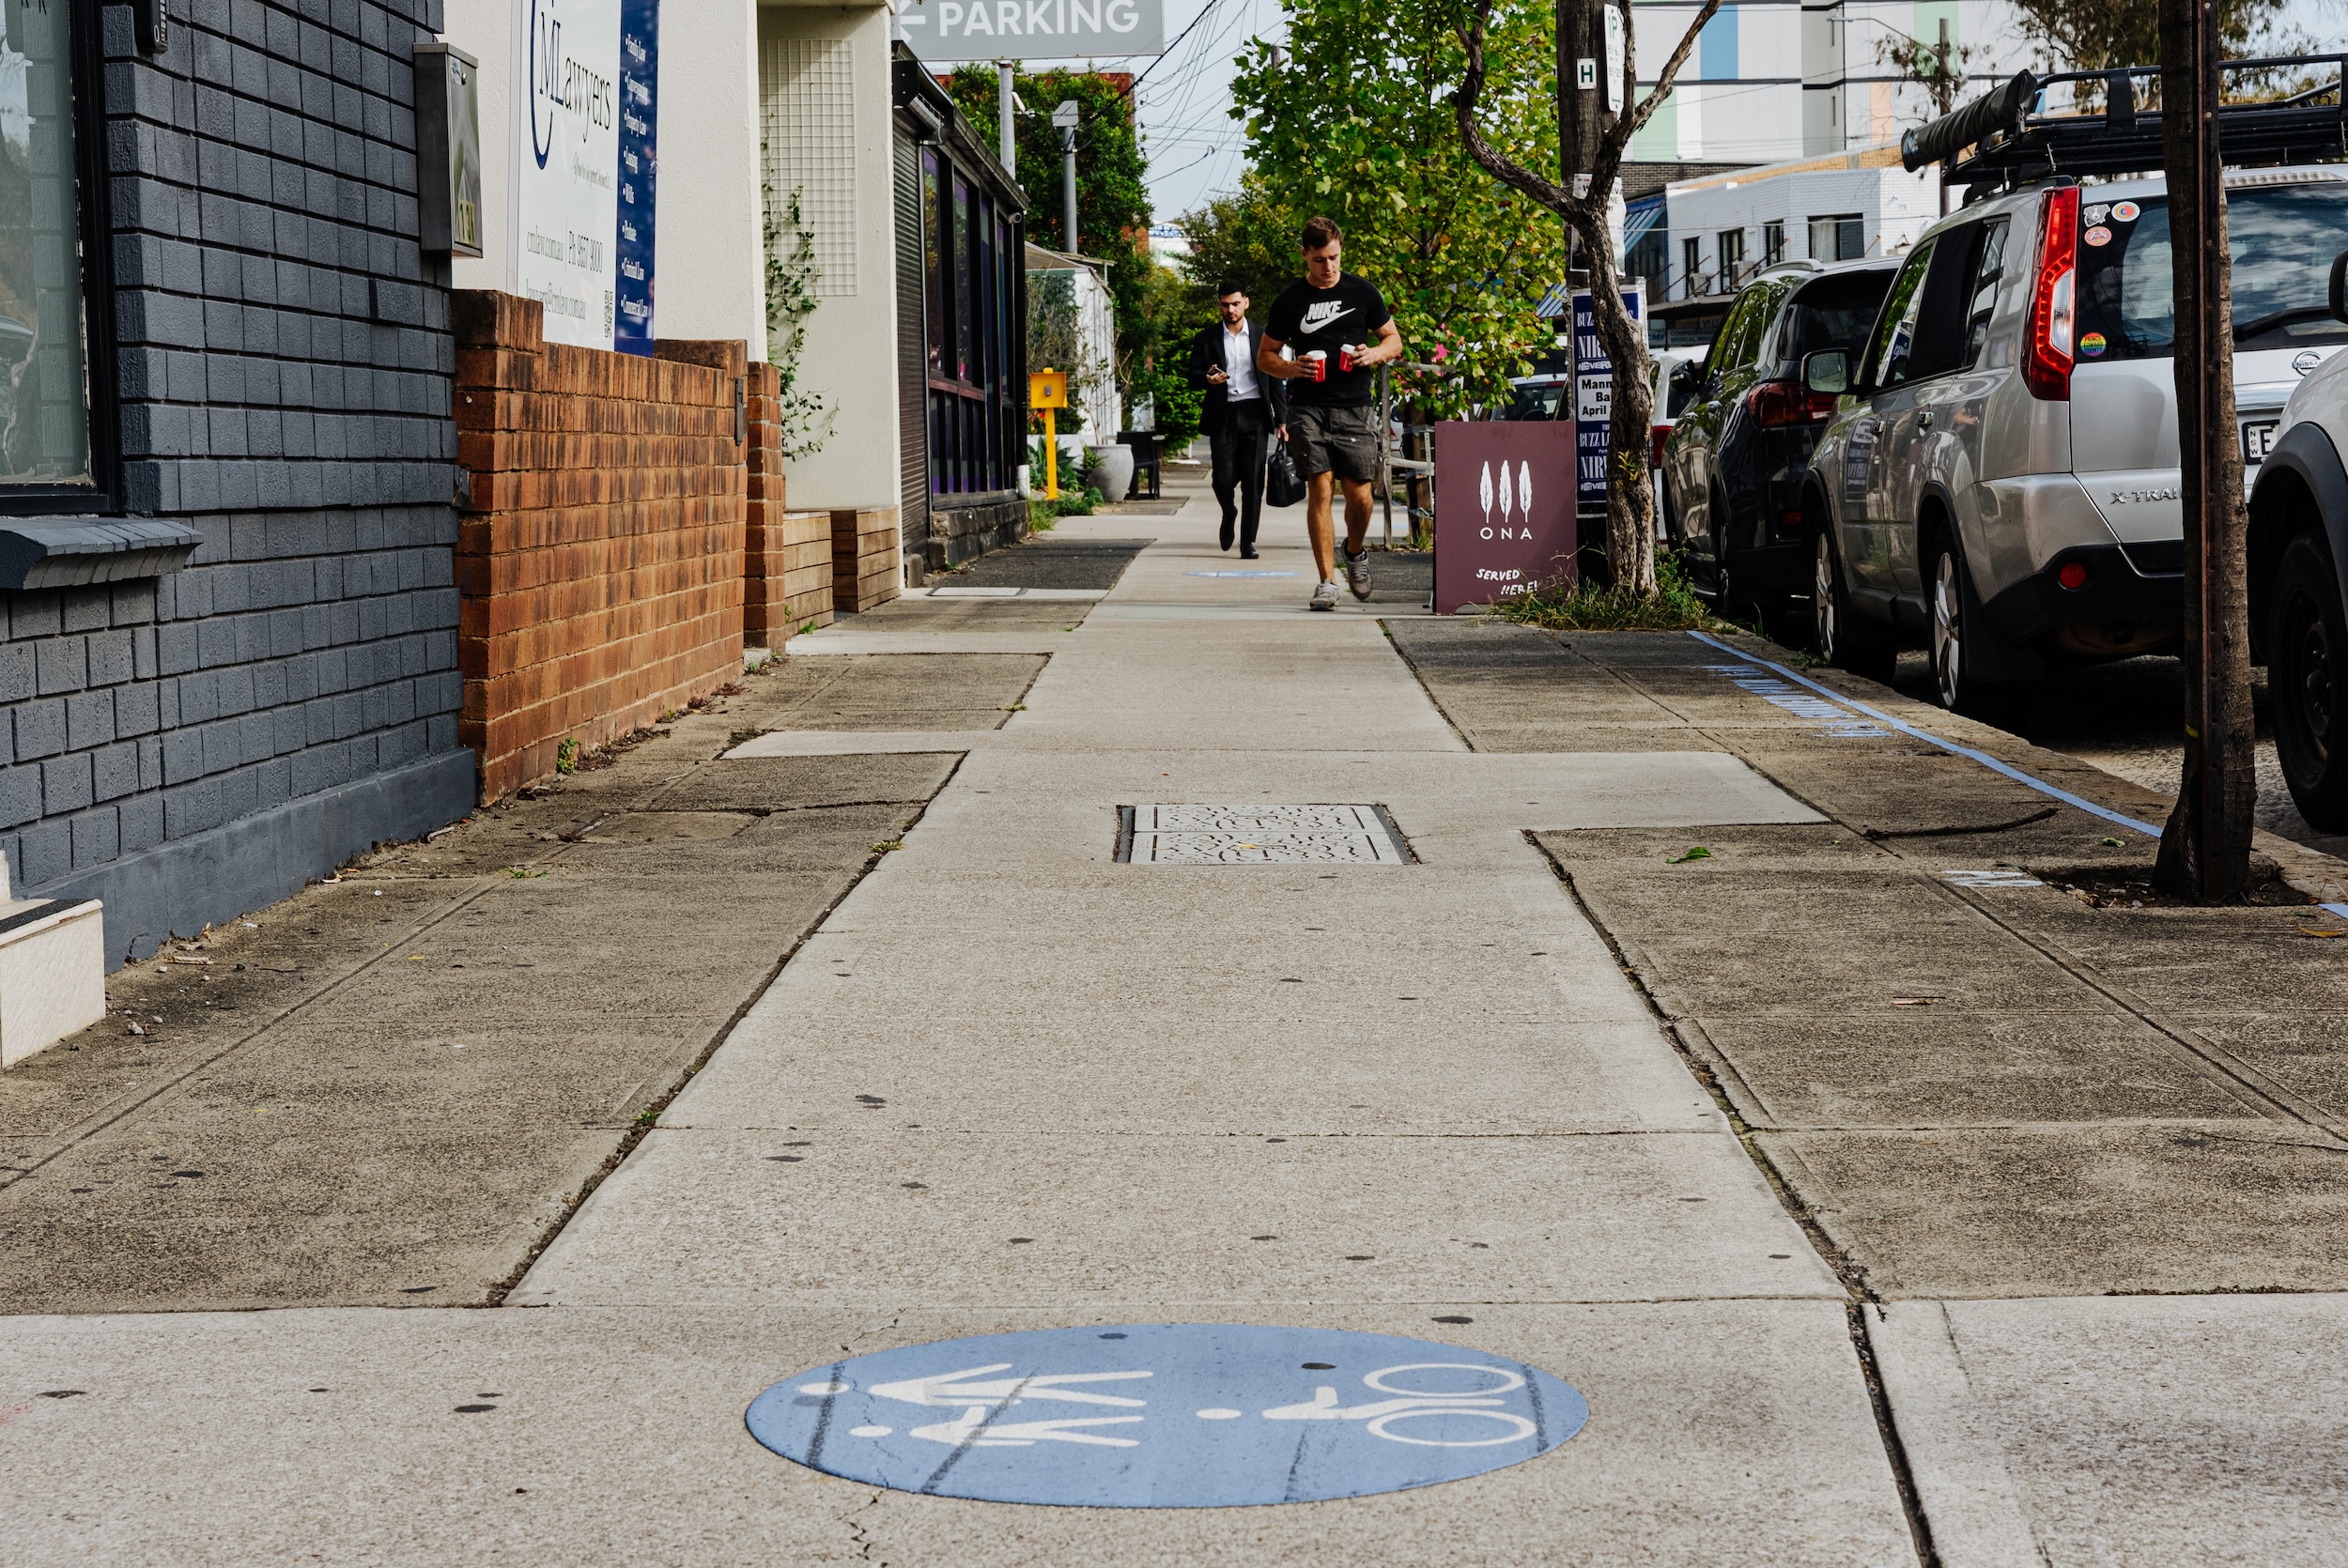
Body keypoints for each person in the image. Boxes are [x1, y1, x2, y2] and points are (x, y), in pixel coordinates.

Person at [1258, 216, 1404, 609]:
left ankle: (1354, 553)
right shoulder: (1290, 301)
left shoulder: (1363, 292)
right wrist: (1291, 368)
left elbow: (1394, 340)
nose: (1329, 267)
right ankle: (1326, 582)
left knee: (1360, 497)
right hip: (1307, 408)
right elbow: (1265, 356)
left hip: (1354, 407)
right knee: (1320, 489)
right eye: (1320, 259)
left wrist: (1373, 353)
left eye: (1335, 258)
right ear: (1305, 254)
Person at [1185, 280, 1289, 556]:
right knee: (1223, 478)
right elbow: (1193, 377)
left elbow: (1275, 378)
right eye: (1224, 304)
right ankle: (1228, 511)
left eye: (1235, 303)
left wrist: (1282, 420)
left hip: (1254, 412)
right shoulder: (1206, 338)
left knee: (1254, 482)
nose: (1230, 309)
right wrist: (1208, 378)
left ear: (1246, 302)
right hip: (1223, 414)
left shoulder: (1263, 336)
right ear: (1218, 304)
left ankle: (1248, 542)